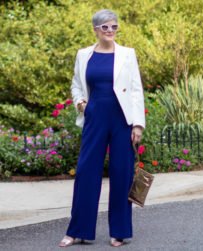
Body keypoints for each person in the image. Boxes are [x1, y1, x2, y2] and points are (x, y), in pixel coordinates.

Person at [58, 9, 145, 248]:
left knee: (122, 174)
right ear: (96, 29)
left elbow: (136, 90)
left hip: (122, 120)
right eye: (105, 27)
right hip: (95, 117)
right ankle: (78, 231)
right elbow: (76, 85)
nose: (109, 31)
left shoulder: (128, 54)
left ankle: (120, 231)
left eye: (113, 26)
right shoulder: (84, 54)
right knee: (86, 173)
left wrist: (138, 123)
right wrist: (80, 104)